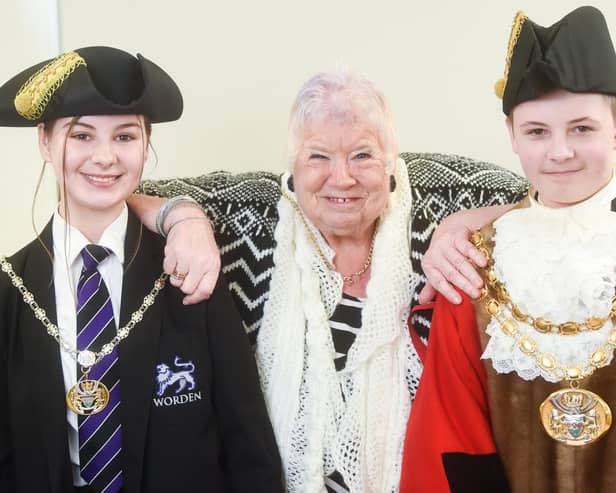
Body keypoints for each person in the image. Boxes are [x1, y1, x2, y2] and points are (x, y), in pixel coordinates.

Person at [132, 69, 526, 491]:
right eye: (318, 156)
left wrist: (466, 220)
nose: (342, 178)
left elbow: (543, 195)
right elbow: (124, 194)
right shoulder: (249, 217)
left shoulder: (440, 204)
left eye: (363, 156)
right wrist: (184, 217)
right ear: (293, 165)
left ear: (392, 160)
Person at [0, 46, 282, 493]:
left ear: (146, 144)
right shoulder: (9, 291)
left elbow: (247, 442)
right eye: (82, 136)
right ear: (44, 142)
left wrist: (184, 215)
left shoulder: (190, 269)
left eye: (125, 137)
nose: (106, 157)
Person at [401, 6, 616, 492]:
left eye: (582, 128)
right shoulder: (476, 262)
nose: (559, 151)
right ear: (512, 137)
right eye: (537, 131)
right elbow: (449, 436)